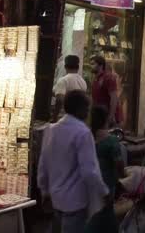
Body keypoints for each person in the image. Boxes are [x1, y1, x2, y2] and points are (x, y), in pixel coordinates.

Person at [38, 90, 109, 233]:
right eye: (87, 108)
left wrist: (44, 190)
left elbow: (43, 164)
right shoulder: (83, 133)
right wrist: (104, 192)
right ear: (80, 108)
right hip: (74, 203)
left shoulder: (50, 130)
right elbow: (90, 171)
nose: (88, 112)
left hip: (55, 199)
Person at [85, 106, 125, 233]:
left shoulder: (87, 138)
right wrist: (123, 176)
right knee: (104, 215)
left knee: (98, 214)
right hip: (107, 185)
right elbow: (119, 164)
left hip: (89, 184)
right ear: (106, 120)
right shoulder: (111, 141)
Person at [52, 55, 87, 122]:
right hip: (78, 119)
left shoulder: (63, 80)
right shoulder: (83, 82)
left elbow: (59, 100)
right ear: (78, 67)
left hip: (63, 118)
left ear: (65, 66)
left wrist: (54, 117)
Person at [90, 56, 120, 126]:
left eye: (93, 64)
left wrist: (111, 116)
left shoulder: (108, 78)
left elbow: (114, 98)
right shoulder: (95, 79)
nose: (91, 66)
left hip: (106, 115)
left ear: (100, 65)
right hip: (97, 115)